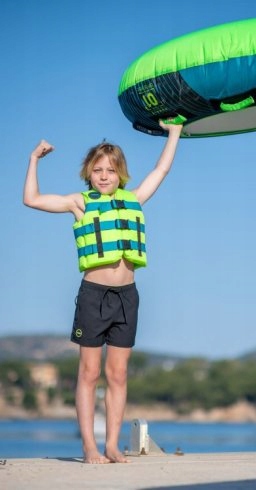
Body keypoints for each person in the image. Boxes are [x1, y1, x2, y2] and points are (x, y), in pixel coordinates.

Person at [23, 120, 183, 464]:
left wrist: (174, 133)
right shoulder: (78, 203)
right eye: (98, 170)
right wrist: (35, 159)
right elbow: (31, 199)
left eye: (110, 170)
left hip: (127, 297)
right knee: (89, 373)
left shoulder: (134, 198)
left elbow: (162, 169)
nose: (104, 176)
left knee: (118, 374)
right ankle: (89, 447)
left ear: (120, 173)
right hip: (94, 295)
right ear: (88, 173)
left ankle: (111, 444)